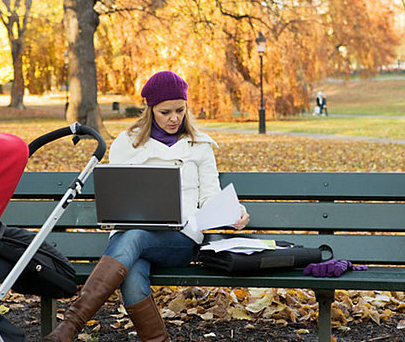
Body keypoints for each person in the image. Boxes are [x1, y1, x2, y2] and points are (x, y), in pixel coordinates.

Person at [43, 70, 250, 342]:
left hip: (180, 239)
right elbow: (116, 193)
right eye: (165, 112)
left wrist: (234, 210)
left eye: (180, 110)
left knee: (135, 238)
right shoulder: (127, 143)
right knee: (132, 273)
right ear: (150, 109)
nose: (174, 118)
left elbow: (209, 196)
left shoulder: (200, 146)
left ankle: (68, 327)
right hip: (129, 237)